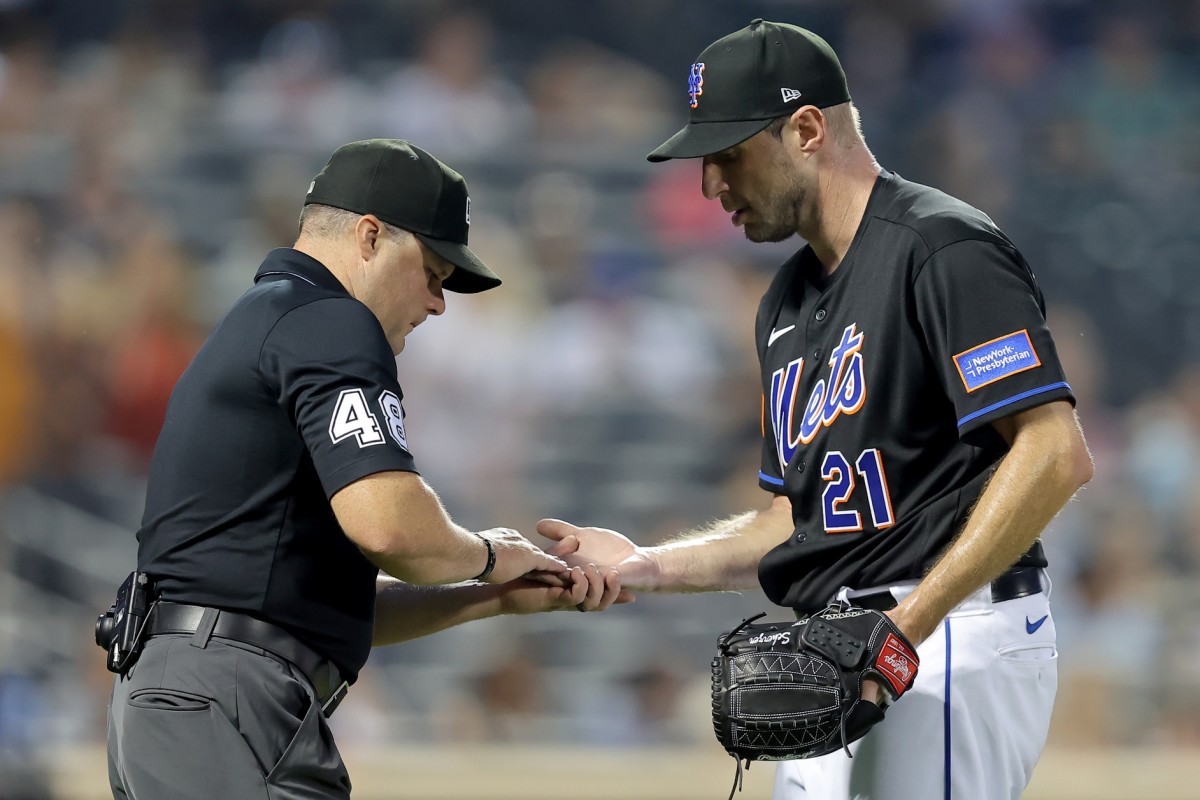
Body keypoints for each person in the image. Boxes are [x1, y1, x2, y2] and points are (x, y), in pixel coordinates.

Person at [539, 19, 1093, 800]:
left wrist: (907, 627)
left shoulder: (941, 247)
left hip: (953, 631)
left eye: (729, 154)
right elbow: (787, 524)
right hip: (841, 642)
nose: (710, 185)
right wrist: (645, 565)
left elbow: (1055, 452)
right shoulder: (784, 304)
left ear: (806, 129)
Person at [104, 138, 624, 800]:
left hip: (190, 693)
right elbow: (392, 528)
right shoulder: (331, 321)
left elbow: (310, 603)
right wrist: (492, 554)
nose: (439, 303)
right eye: (433, 273)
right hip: (224, 695)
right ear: (371, 237)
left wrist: (491, 593)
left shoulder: (272, 320)